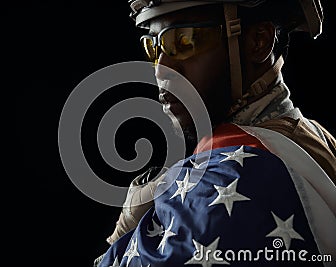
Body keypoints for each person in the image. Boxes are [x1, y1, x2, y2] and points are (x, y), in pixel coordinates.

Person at [95, 0, 336, 266]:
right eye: (154, 47)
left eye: (185, 41)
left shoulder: (231, 177)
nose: (161, 69)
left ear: (259, 41)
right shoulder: (314, 137)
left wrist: (120, 242)